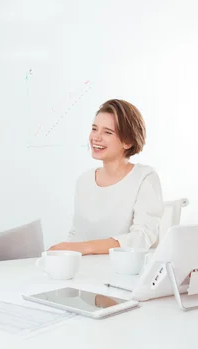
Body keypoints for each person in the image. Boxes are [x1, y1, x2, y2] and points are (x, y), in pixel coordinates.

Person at [49, 99, 163, 255]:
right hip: (85, 272)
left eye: (107, 132)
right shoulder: (84, 181)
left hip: (125, 273)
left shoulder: (145, 178)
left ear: (128, 141)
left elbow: (141, 238)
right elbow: (77, 235)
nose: (96, 137)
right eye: (94, 129)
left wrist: (85, 248)